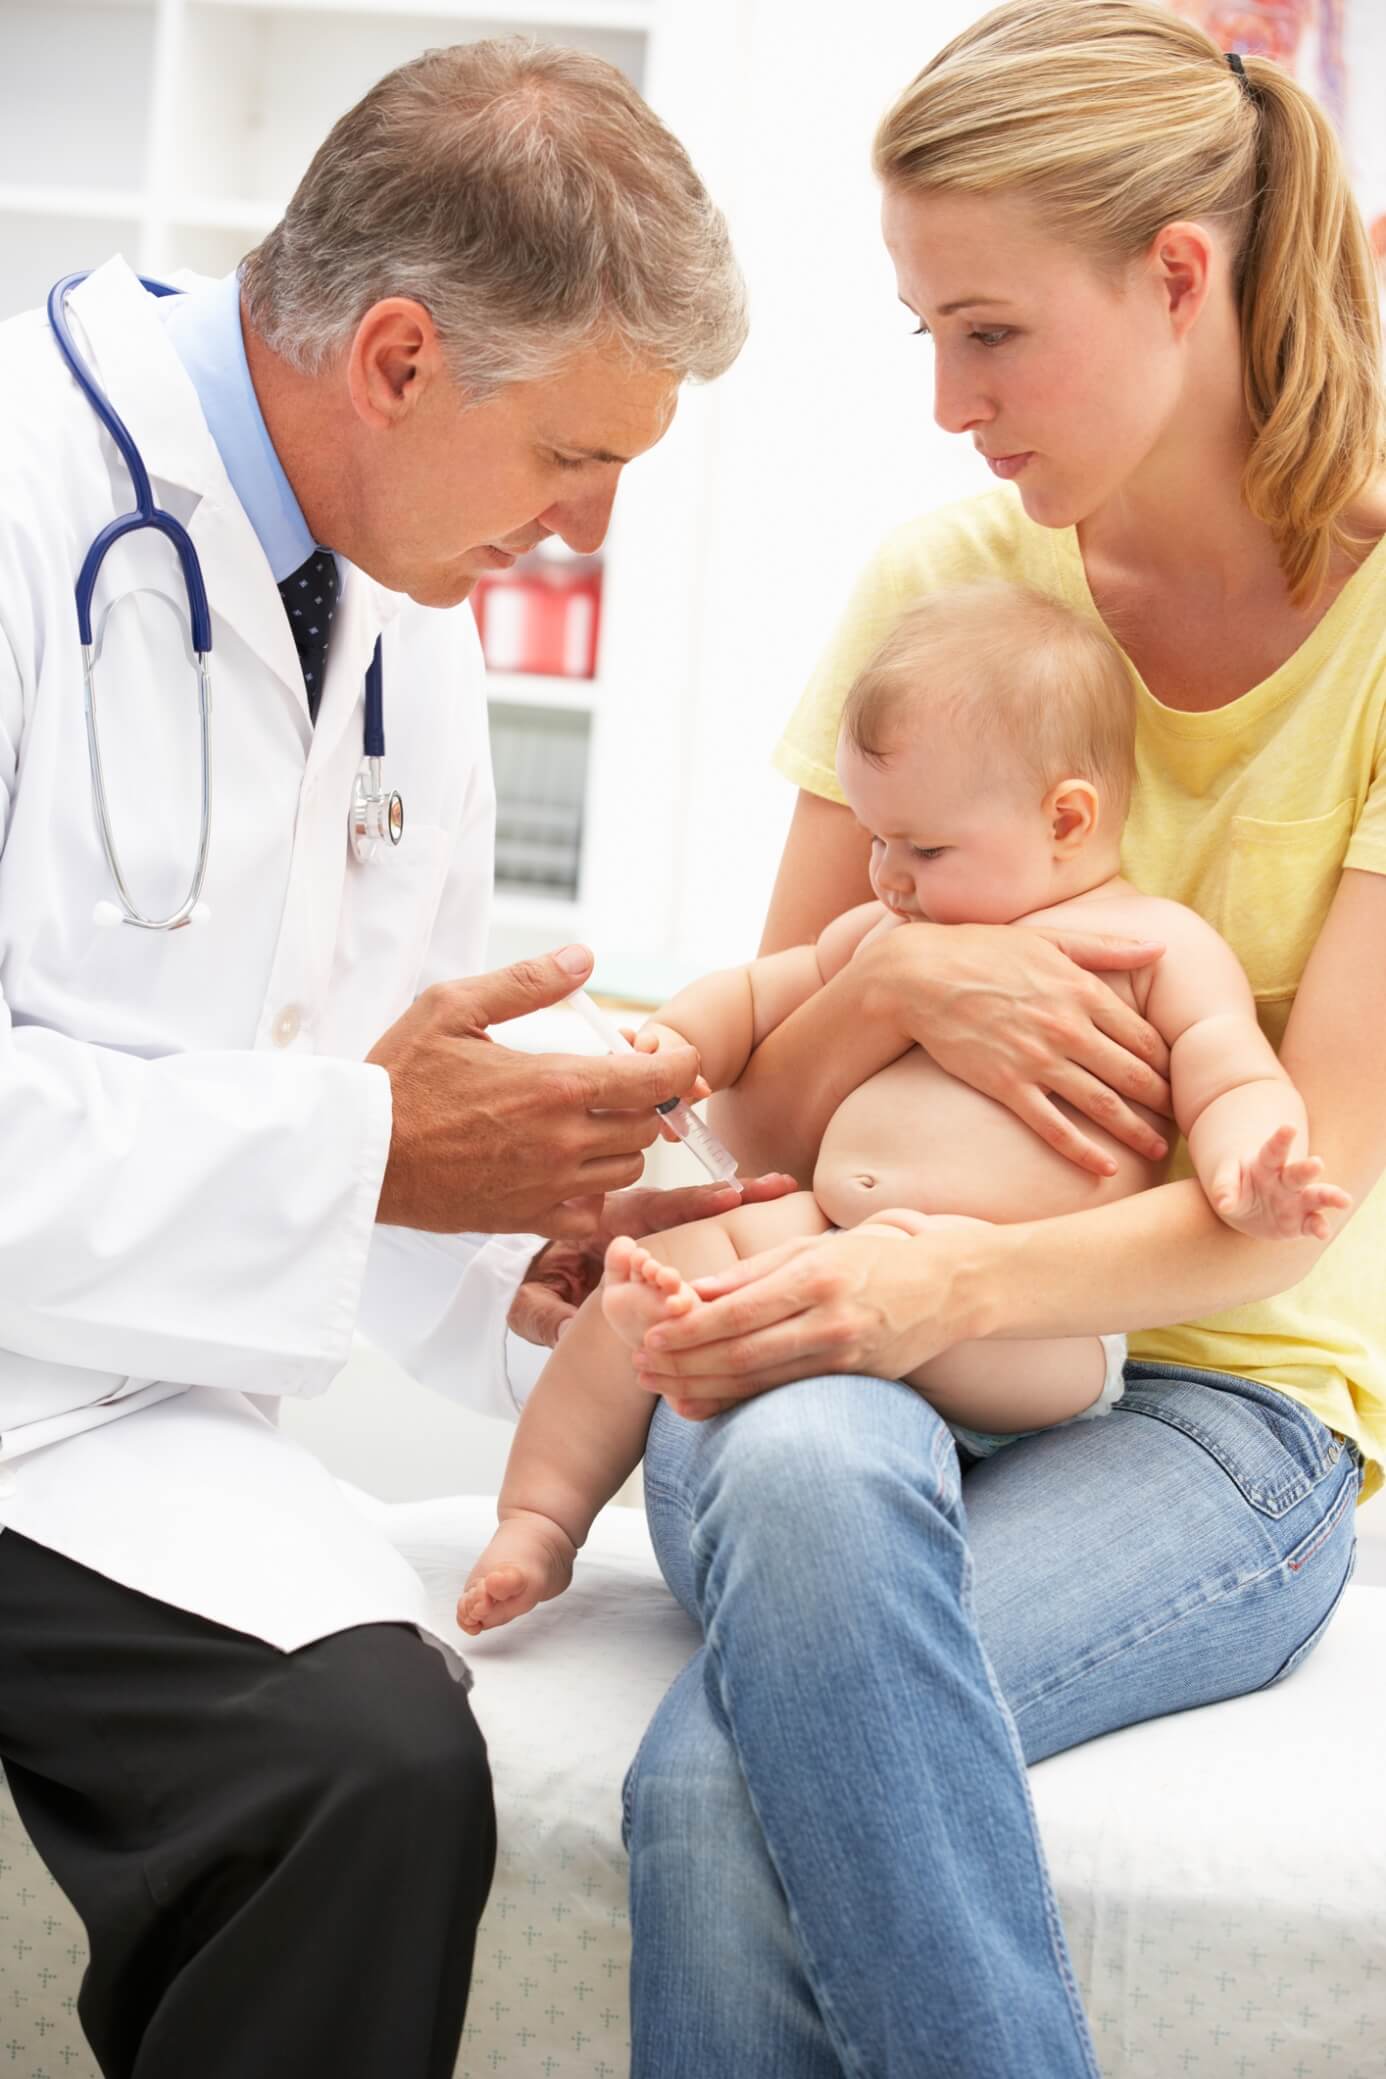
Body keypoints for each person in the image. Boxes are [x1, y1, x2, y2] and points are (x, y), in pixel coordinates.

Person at [0, 39, 794, 2079]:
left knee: (370, 1767)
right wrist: (367, 1154)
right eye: (572, 458)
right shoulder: (22, 492)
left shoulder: (409, 620)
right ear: (397, 358)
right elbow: (349, 1125)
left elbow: (374, 1079)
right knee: (358, 1766)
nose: (593, 525)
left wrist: (534, 1247)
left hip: (124, 1415)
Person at [611, 7, 1386, 2076]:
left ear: (1181, 276)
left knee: (711, 1792)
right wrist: (902, 975)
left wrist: (945, 1274)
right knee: (810, 1480)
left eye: (990, 333)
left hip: (1223, 1405)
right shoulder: (943, 584)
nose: (949, 406)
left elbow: (1290, 1203)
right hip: (849, 1336)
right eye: (924, 340)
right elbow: (757, 1118)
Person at [458, 577, 1353, 1633]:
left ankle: (736, 1352)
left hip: (1017, 1330)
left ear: (1066, 818)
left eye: (922, 848)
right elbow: (756, 994)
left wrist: (1255, 1170)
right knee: (651, 1278)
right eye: (878, 841)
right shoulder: (892, 931)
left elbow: (1234, 1074)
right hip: (829, 1237)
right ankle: (542, 1518)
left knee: (768, 1295)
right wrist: (680, 1045)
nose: (885, 875)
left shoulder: (1151, 950)